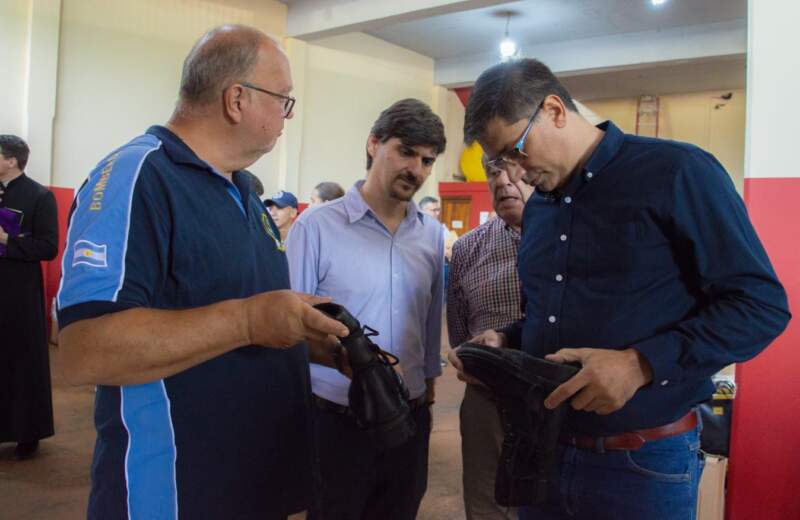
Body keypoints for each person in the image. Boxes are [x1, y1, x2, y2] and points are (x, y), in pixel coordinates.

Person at [450, 58, 790, 520]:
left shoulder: (677, 172)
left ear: (554, 110)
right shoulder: (541, 210)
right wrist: (507, 339)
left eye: (516, 151)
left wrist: (641, 364)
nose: (514, 173)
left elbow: (761, 306)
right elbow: (549, 316)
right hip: (544, 450)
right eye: (499, 162)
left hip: (644, 464)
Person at [56, 25, 349, 519]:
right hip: (175, 493)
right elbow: (85, 349)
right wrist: (249, 320)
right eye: (284, 100)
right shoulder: (138, 176)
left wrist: (319, 341)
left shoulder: (244, 192)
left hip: (251, 483)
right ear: (237, 99)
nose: (288, 116)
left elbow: (231, 310)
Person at [286, 98, 446, 520]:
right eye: (406, 152)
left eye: (427, 160)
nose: (416, 169)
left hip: (409, 417)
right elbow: (290, 326)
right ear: (374, 144)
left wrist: (428, 385)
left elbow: (430, 320)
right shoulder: (316, 228)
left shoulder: (431, 235)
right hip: (337, 420)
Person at [447, 159, 531, 520]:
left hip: (558, 397)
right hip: (487, 399)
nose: (503, 181)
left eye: (514, 170)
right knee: (488, 506)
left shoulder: (574, 235)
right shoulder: (468, 248)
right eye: (494, 171)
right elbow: (459, 330)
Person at [0, 135, 58, 460]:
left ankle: (28, 432)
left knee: (23, 360)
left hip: (19, 292)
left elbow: (49, 247)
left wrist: (7, 240)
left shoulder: (39, 196)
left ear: (12, 160)